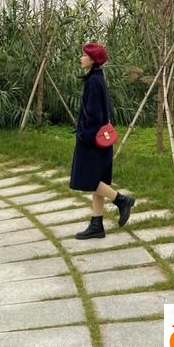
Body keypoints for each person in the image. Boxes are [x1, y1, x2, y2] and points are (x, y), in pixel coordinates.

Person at [70, 42, 135, 239]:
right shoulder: (96, 79)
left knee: (87, 179)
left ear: (93, 59)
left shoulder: (94, 82)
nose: (81, 58)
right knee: (97, 180)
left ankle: (121, 200)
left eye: (84, 55)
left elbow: (95, 116)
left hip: (93, 142)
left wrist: (83, 135)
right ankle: (96, 224)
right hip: (100, 141)